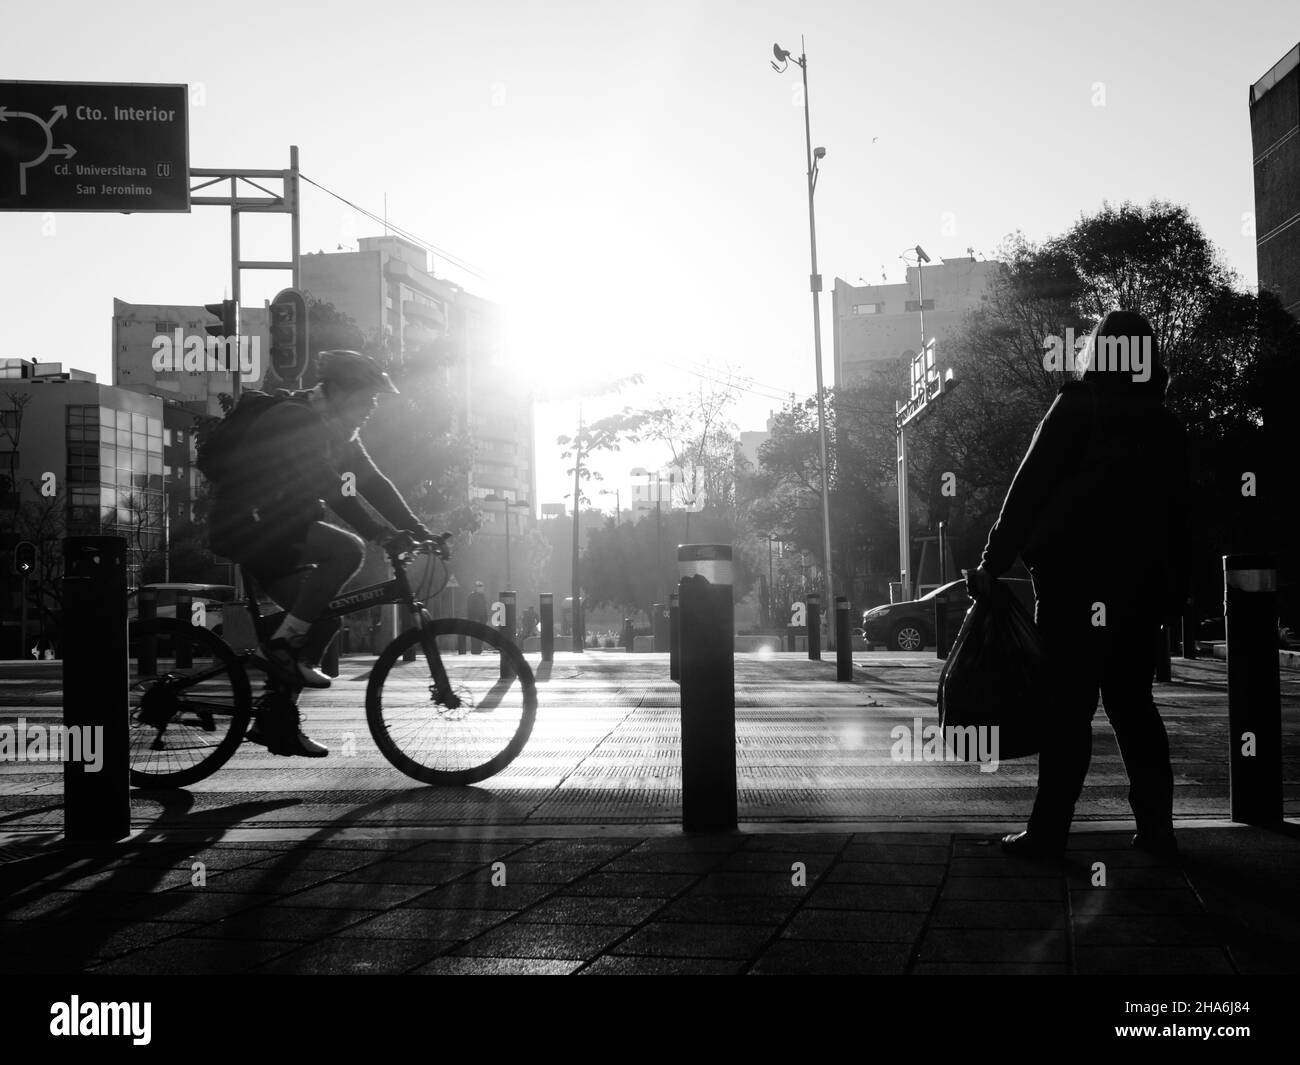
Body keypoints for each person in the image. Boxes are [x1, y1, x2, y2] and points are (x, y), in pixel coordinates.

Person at [967, 310, 1190, 861]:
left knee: (1067, 711)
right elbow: (1185, 517)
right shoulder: (1165, 423)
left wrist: (993, 564)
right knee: (1134, 707)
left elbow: (1027, 490)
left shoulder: (1077, 407)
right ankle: (1158, 832)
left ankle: (1048, 833)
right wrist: (1176, 591)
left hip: (1073, 587)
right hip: (1139, 591)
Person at [208, 350, 432, 757]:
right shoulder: (298, 420)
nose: (372, 408)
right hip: (249, 523)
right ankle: (279, 648)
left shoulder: (337, 429)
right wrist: (381, 534)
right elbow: (333, 489)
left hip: (277, 530)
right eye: (368, 399)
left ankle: (276, 724)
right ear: (342, 392)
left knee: (322, 619)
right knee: (348, 549)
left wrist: (419, 530)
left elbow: (372, 482)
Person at [466, 580, 488, 653]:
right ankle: (475, 649)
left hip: (482, 619)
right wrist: (475, 618)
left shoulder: (482, 596)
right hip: (475, 619)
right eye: (480, 587)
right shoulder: (473, 596)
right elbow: (471, 608)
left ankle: (478, 649)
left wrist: (485, 617)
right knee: (475, 634)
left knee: (480, 634)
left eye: (482, 587)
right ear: (476, 588)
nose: (482, 589)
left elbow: (484, 607)